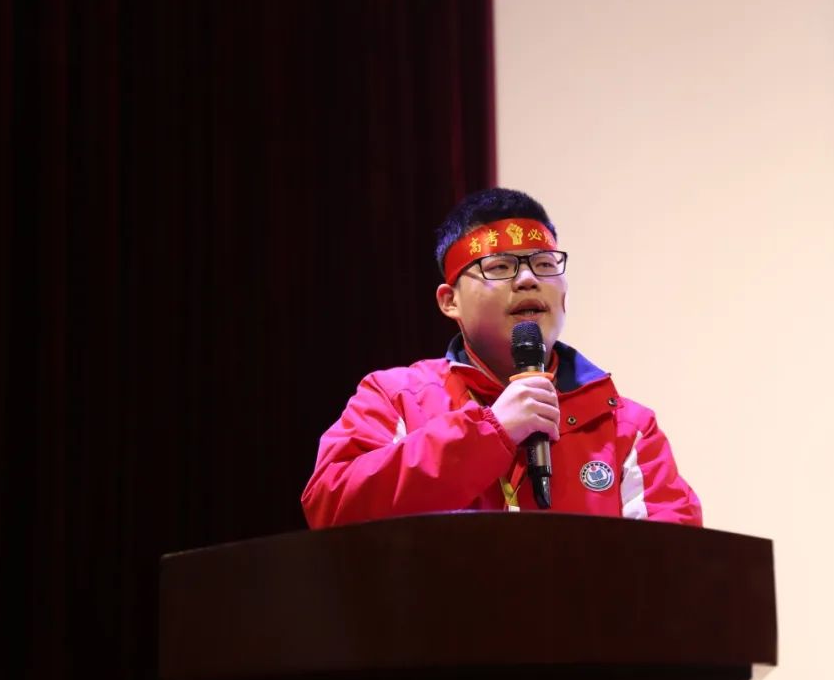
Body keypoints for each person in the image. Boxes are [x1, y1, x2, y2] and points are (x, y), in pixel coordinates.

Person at [301, 188, 702, 527]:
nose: (528, 279)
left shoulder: (624, 427)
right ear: (450, 301)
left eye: (544, 264)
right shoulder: (397, 399)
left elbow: (675, 563)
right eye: (500, 266)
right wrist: (489, 432)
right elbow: (332, 506)